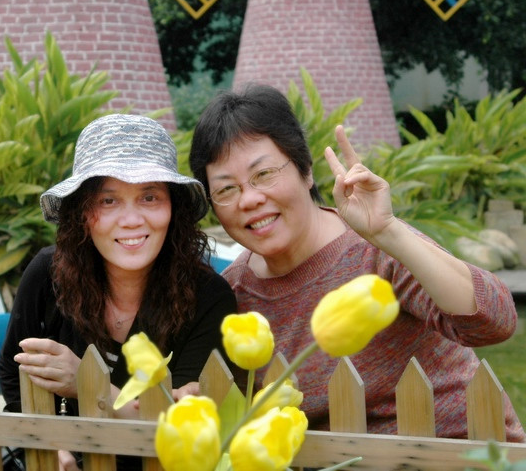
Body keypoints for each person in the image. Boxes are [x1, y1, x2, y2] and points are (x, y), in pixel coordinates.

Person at [189, 83, 525, 442]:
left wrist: (389, 232)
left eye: (264, 174)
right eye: (226, 189)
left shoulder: (375, 247)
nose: (249, 199)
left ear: (306, 170)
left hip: (466, 457)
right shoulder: (234, 294)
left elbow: (495, 324)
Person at [0, 113, 238, 469]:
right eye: (108, 201)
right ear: (82, 212)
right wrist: (47, 446)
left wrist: (87, 382)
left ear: (174, 207)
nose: (131, 220)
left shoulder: (208, 297)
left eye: (149, 197)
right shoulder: (49, 274)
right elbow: (12, 373)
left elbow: (179, 431)